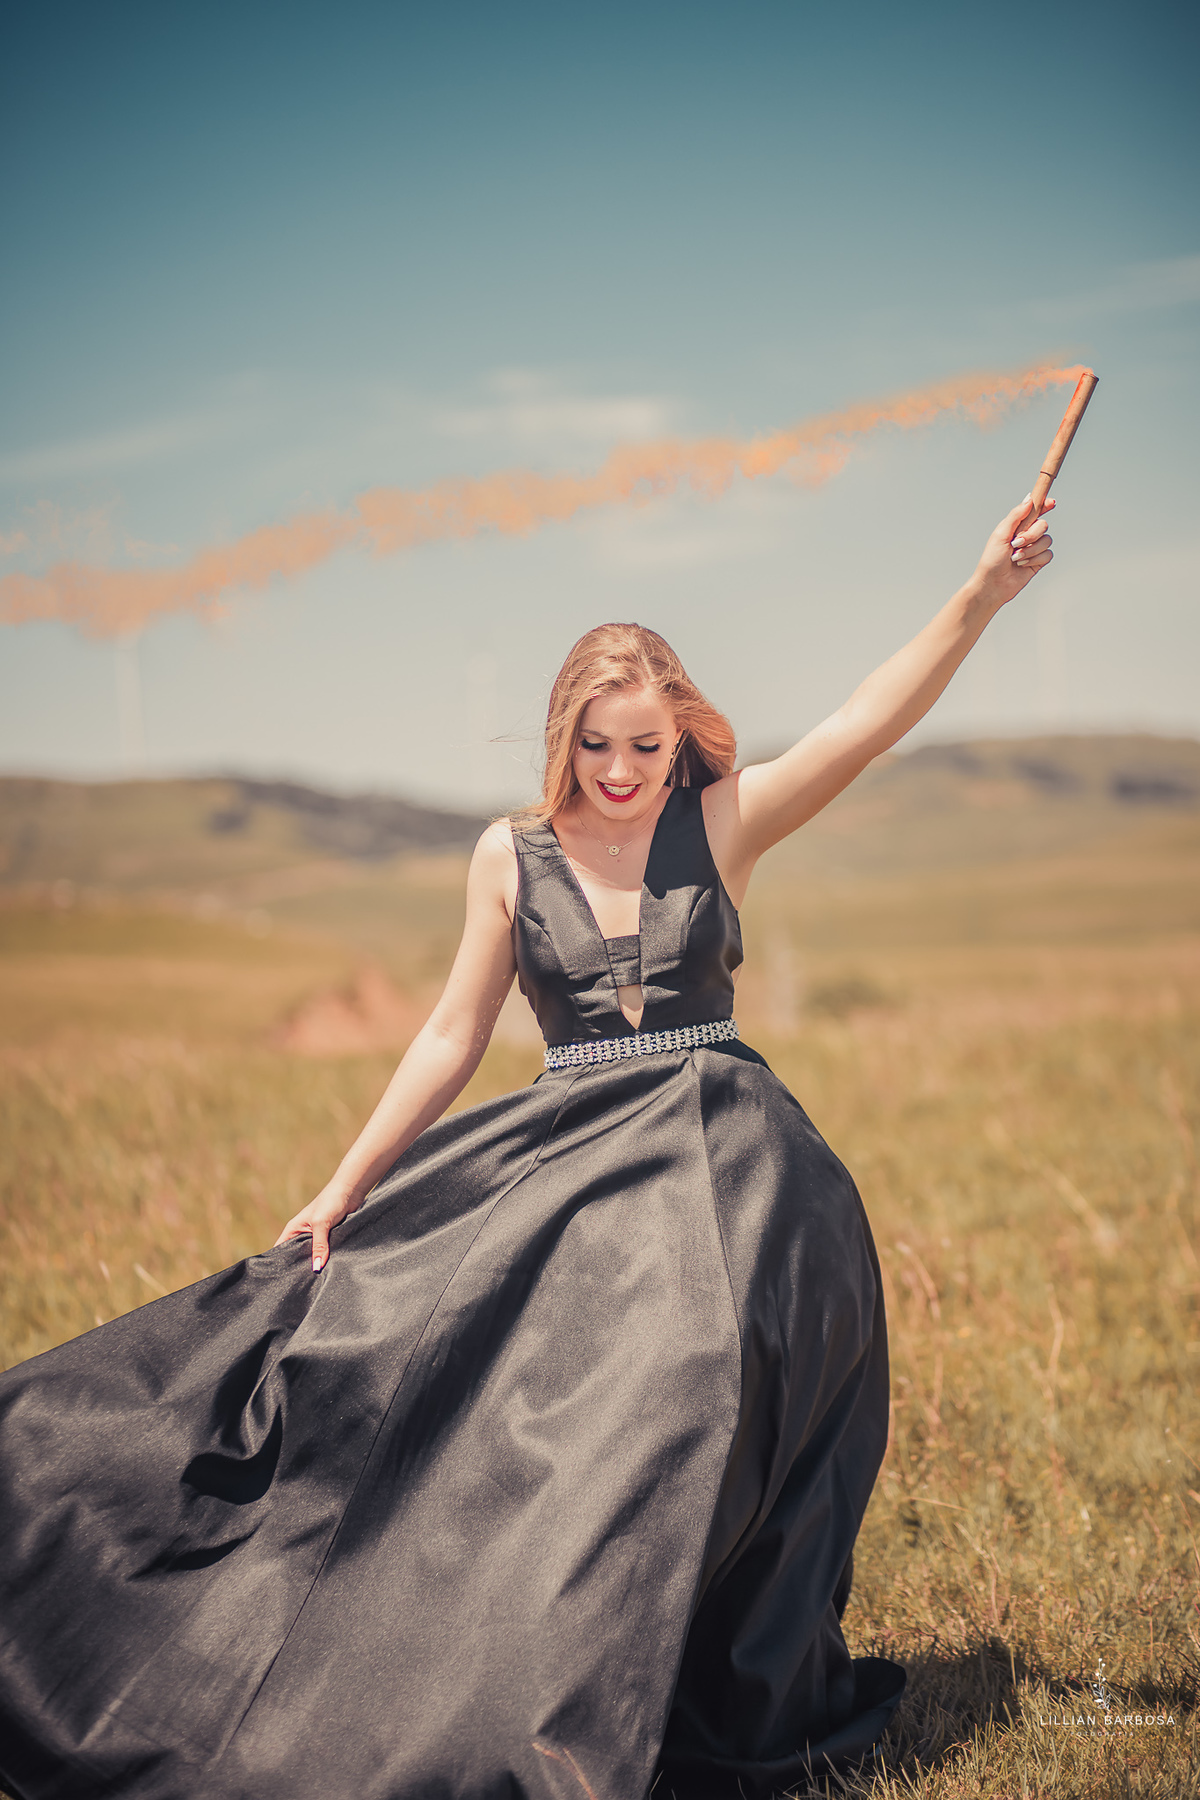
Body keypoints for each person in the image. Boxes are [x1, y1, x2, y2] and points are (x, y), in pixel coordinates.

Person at [0, 496, 1055, 1800]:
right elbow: (452, 1033)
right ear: (566, 736)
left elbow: (863, 722)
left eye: (647, 744)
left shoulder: (723, 821)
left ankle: (682, 1666)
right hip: (575, 1163)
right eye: (599, 744)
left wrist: (982, 592)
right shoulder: (508, 855)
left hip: (735, 1172)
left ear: (680, 736)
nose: (622, 769)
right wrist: (339, 1191)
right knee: (402, 1365)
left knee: (697, 1381)